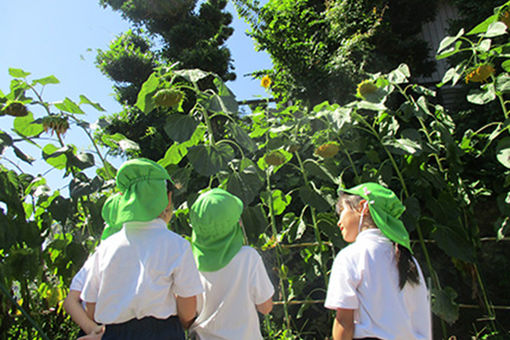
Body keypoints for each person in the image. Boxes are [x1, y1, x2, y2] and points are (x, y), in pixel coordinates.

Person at [77, 158, 204, 340]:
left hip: (114, 333)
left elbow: (90, 306)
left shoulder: (106, 247)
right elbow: (188, 306)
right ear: (167, 199)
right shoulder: (177, 245)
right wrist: (184, 323)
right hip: (163, 332)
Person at [325, 182, 431, 340]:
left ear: (363, 207)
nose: (339, 221)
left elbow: (344, 322)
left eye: (342, 211)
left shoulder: (350, 257)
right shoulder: (409, 260)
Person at [188, 188, 274, 340]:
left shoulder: (189, 262)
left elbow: (187, 313)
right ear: (236, 223)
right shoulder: (248, 258)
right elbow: (265, 307)